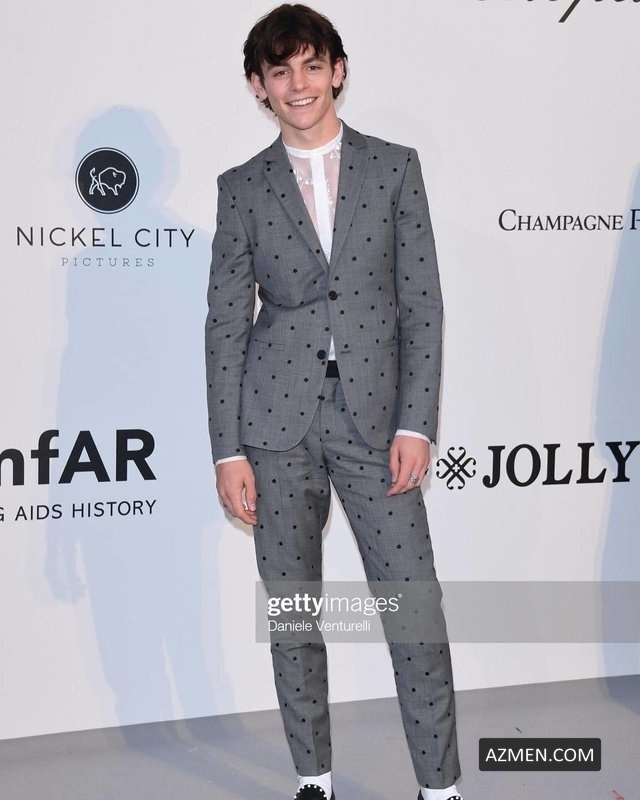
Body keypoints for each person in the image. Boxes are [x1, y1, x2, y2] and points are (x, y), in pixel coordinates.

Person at [205, 5, 463, 799]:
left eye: (311, 65)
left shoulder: (394, 168)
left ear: (338, 71)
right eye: (280, 71)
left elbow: (423, 304)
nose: (298, 84)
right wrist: (228, 449)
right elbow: (225, 324)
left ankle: (440, 789)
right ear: (259, 85)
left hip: (378, 423)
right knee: (293, 615)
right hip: (273, 429)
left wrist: (417, 422)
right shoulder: (241, 188)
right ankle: (313, 778)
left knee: (413, 608)